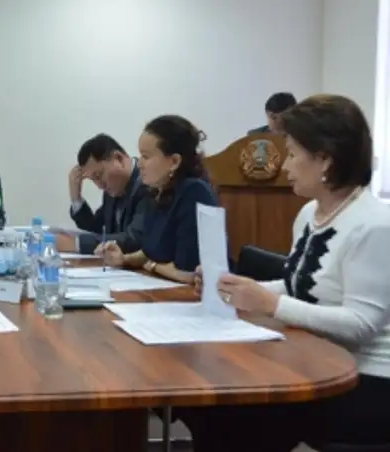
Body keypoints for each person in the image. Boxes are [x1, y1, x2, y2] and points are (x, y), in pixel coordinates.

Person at [182, 95, 390, 451]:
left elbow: (360, 324)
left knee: (235, 414)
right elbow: (298, 285)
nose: (285, 166)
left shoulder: (375, 225)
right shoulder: (310, 214)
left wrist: (268, 303)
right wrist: (236, 287)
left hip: (367, 379)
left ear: (325, 159)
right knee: (213, 404)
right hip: (318, 361)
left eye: (292, 154)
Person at [98, 115, 217, 284]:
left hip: (196, 294)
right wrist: (123, 259)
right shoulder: (156, 192)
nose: (139, 164)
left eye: (146, 156)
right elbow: (152, 251)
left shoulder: (195, 193)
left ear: (174, 161)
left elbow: (188, 273)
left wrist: (152, 265)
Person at [60, 133, 149, 254]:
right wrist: (76, 197)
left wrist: (76, 243)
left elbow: (135, 239)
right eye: (93, 180)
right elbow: (95, 229)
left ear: (119, 158)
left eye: (99, 175)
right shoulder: (112, 190)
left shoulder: (147, 184)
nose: (99, 185)